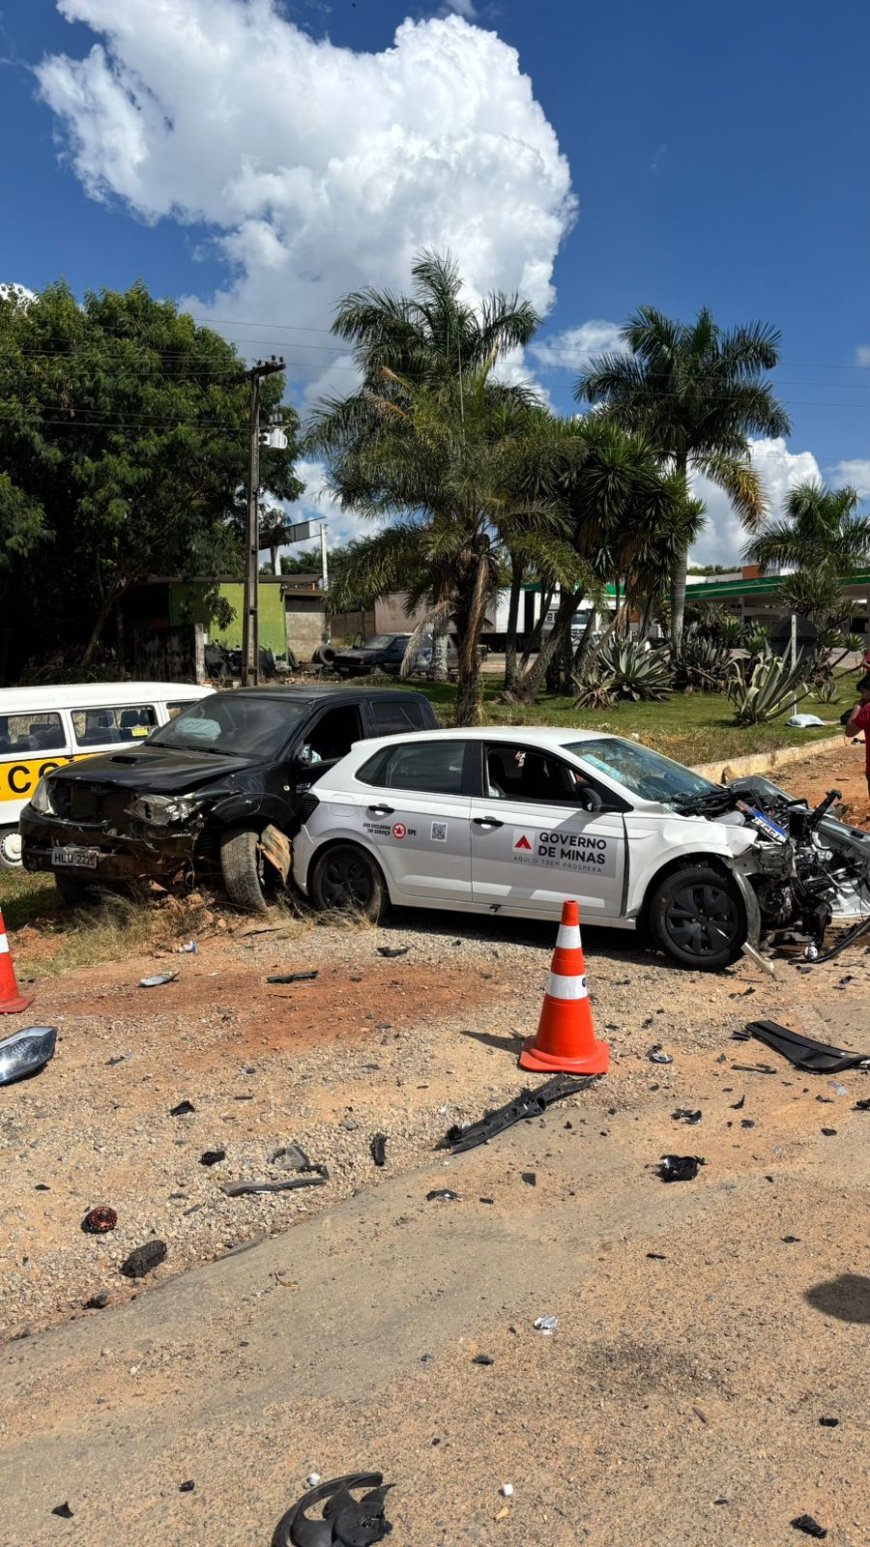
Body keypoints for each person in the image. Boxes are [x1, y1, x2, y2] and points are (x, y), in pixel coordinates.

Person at [844, 674, 870, 797]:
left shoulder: (867, 710)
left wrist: (857, 707)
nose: (861, 697)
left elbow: (849, 731)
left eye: (862, 693)